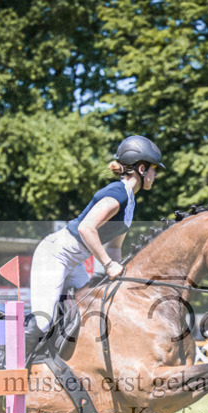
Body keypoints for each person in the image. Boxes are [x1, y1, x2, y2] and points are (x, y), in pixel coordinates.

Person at [25, 135, 164, 357]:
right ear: (141, 168)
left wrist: (122, 273)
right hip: (56, 255)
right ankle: (9, 371)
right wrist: (109, 266)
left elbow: (114, 248)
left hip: (74, 261)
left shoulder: (129, 202)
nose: (155, 175)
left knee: (89, 311)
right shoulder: (118, 192)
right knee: (43, 320)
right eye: (154, 169)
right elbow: (86, 228)